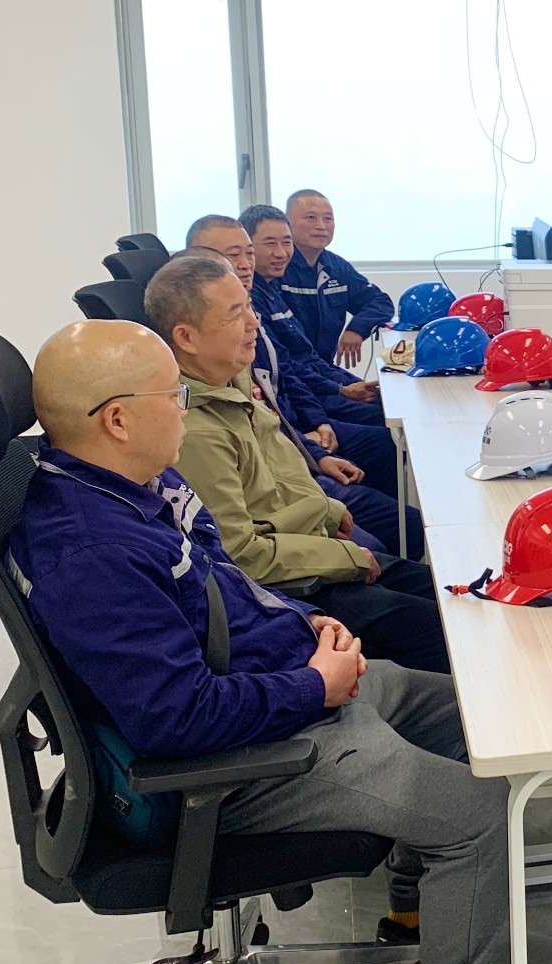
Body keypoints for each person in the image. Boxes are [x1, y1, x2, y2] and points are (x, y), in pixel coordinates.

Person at [8, 319, 548, 964]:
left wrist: (304, 620)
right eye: (173, 396)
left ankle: (413, 917)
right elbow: (174, 718)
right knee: (478, 811)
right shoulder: (91, 551)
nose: (187, 408)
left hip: (289, 684)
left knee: (480, 721)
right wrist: (314, 685)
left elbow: (228, 582)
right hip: (246, 757)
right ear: (118, 419)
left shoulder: (141, 483)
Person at [144, 255, 449, 674]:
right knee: (445, 631)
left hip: (309, 546)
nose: (254, 323)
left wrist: (329, 511)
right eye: (235, 314)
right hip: (294, 590)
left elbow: (281, 478)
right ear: (186, 338)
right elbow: (239, 556)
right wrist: (345, 558)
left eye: (250, 306)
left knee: (446, 591)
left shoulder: (231, 384)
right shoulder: (196, 432)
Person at [187, 217, 416, 550]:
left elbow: (289, 373)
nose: (245, 264)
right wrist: (313, 440)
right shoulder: (216, 367)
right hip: (289, 466)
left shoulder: (265, 298)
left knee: (397, 500)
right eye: (234, 255)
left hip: (297, 441)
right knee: (391, 527)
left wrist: (319, 423)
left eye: (248, 253)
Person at [279, 189, 393, 424]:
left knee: (387, 399)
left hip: (323, 370)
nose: (321, 226)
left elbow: (381, 301)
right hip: (297, 379)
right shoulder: (278, 270)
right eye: (310, 218)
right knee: (382, 417)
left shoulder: (336, 267)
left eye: (328, 219)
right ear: (287, 223)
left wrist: (356, 329)